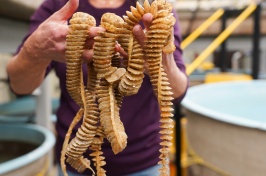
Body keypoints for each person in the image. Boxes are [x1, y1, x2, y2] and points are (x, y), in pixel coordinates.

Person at [7, 0, 188, 175]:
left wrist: (162, 64)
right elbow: (20, 86)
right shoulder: (58, 5)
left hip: (146, 161)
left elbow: (178, 92)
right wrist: (34, 50)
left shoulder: (155, 11)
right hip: (77, 158)